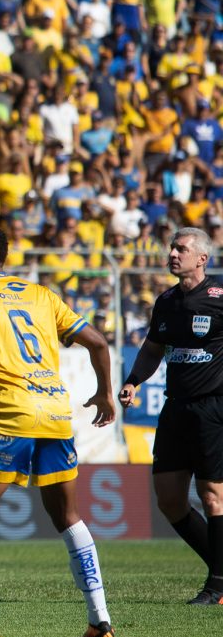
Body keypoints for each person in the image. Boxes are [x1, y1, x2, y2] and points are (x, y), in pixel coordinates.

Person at [0, 222, 116, 637]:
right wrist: (105, 394)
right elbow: (99, 343)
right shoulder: (40, 294)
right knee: (68, 517)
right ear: (6, 257)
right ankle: (100, 620)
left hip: (10, 413)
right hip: (56, 412)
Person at [119, 227, 223, 605]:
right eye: (172, 248)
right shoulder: (165, 301)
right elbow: (152, 350)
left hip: (213, 407)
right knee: (169, 498)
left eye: (181, 249)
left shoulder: (218, 298)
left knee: (213, 496)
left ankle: (217, 586)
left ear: (202, 259)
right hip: (175, 407)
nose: (173, 254)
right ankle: (221, 568)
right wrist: (133, 381)